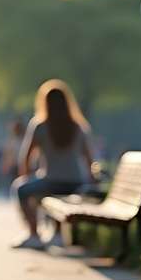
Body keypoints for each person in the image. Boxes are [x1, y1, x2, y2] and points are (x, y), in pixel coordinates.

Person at [11, 79, 95, 250]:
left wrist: (25, 173)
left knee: (21, 189)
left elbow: (26, 158)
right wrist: (92, 178)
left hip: (51, 179)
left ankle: (34, 234)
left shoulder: (40, 126)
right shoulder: (78, 126)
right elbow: (88, 159)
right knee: (54, 193)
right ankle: (57, 234)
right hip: (76, 180)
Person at [0, 119, 26, 194]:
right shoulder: (12, 141)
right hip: (14, 166)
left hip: (21, 165)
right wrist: (6, 165)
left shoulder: (24, 140)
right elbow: (8, 155)